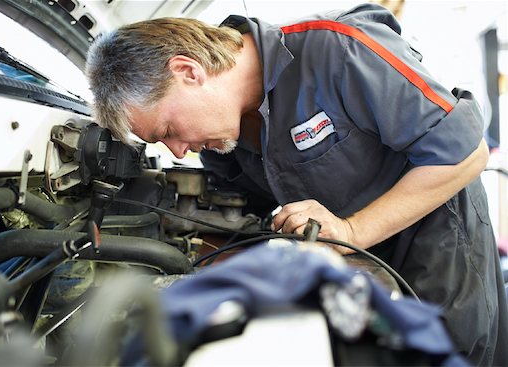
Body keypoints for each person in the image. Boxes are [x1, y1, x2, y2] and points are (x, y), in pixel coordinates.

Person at [85, 3, 508, 365]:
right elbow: (243, 218)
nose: (177, 151)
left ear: (188, 71)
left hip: (437, 237)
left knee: (447, 353)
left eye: (167, 129)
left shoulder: (336, 50)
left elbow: (464, 153)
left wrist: (353, 230)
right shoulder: (220, 143)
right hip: (350, 254)